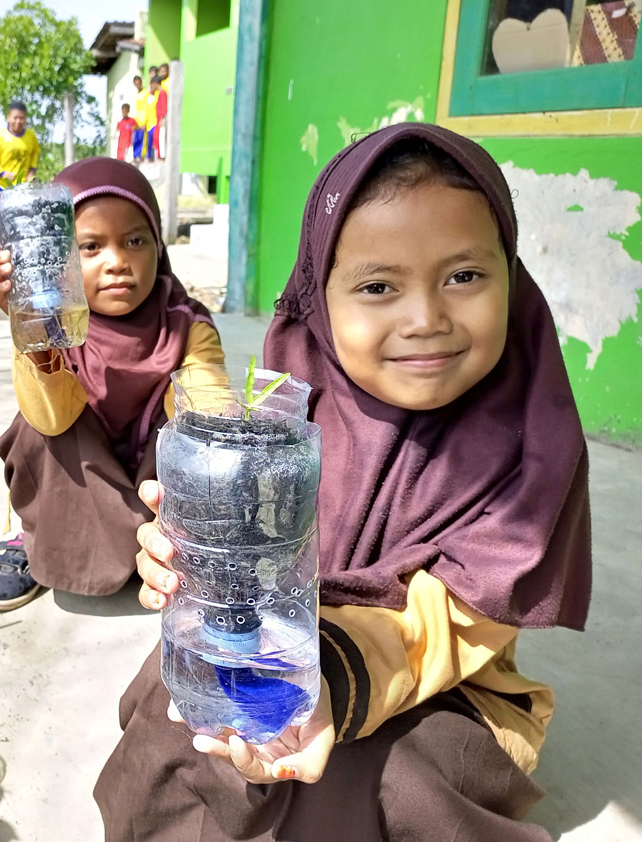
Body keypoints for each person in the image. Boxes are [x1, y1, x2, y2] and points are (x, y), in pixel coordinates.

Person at [94, 124, 593, 841]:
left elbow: (449, 628)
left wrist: (323, 675)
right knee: (186, 698)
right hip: (295, 641)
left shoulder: (529, 442)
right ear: (320, 301)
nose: (426, 319)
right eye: (378, 286)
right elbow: (243, 570)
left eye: (464, 276)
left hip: (446, 684)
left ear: (511, 278)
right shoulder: (289, 410)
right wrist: (185, 561)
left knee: (378, 776)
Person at [0, 157, 225, 611]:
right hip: (77, 489)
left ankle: (160, 552)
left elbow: (211, 403)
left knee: (195, 432)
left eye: (135, 240)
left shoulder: (185, 324)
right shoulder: (56, 324)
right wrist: (30, 328)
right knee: (37, 428)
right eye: (90, 247)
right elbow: (52, 416)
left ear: (159, 247)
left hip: (150, 494)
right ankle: (33, 541)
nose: (118, 262)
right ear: (62, 255)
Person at [0, 101, 40, 193]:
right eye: (15, 118)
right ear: (8, 118)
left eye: (21, 118)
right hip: (4, 186)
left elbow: (35, 153)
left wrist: (32, 170)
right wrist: (2, 173)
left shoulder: (31, 137)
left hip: (24, 186)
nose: (18, 121)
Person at [147, 76, 167, 161]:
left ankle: (162, 157)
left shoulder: (162, 93)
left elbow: (164, 107)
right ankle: (159, 156)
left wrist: (162, 118)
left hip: (161, 119)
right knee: (157, 138)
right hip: (158, 119)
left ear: (155, 83)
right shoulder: (159, 93)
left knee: (161, 138)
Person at [132, 76, 150, 163]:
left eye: (139, 83)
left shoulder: (146, 93)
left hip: (144, 120)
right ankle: (135, 156)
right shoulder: (137, 94)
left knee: (143, 139)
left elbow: (147, 107)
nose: (137, 85)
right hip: (137, 120)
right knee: (136, 139)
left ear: (141, 82)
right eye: (136, 84)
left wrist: (146, 121)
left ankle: (141, 156)